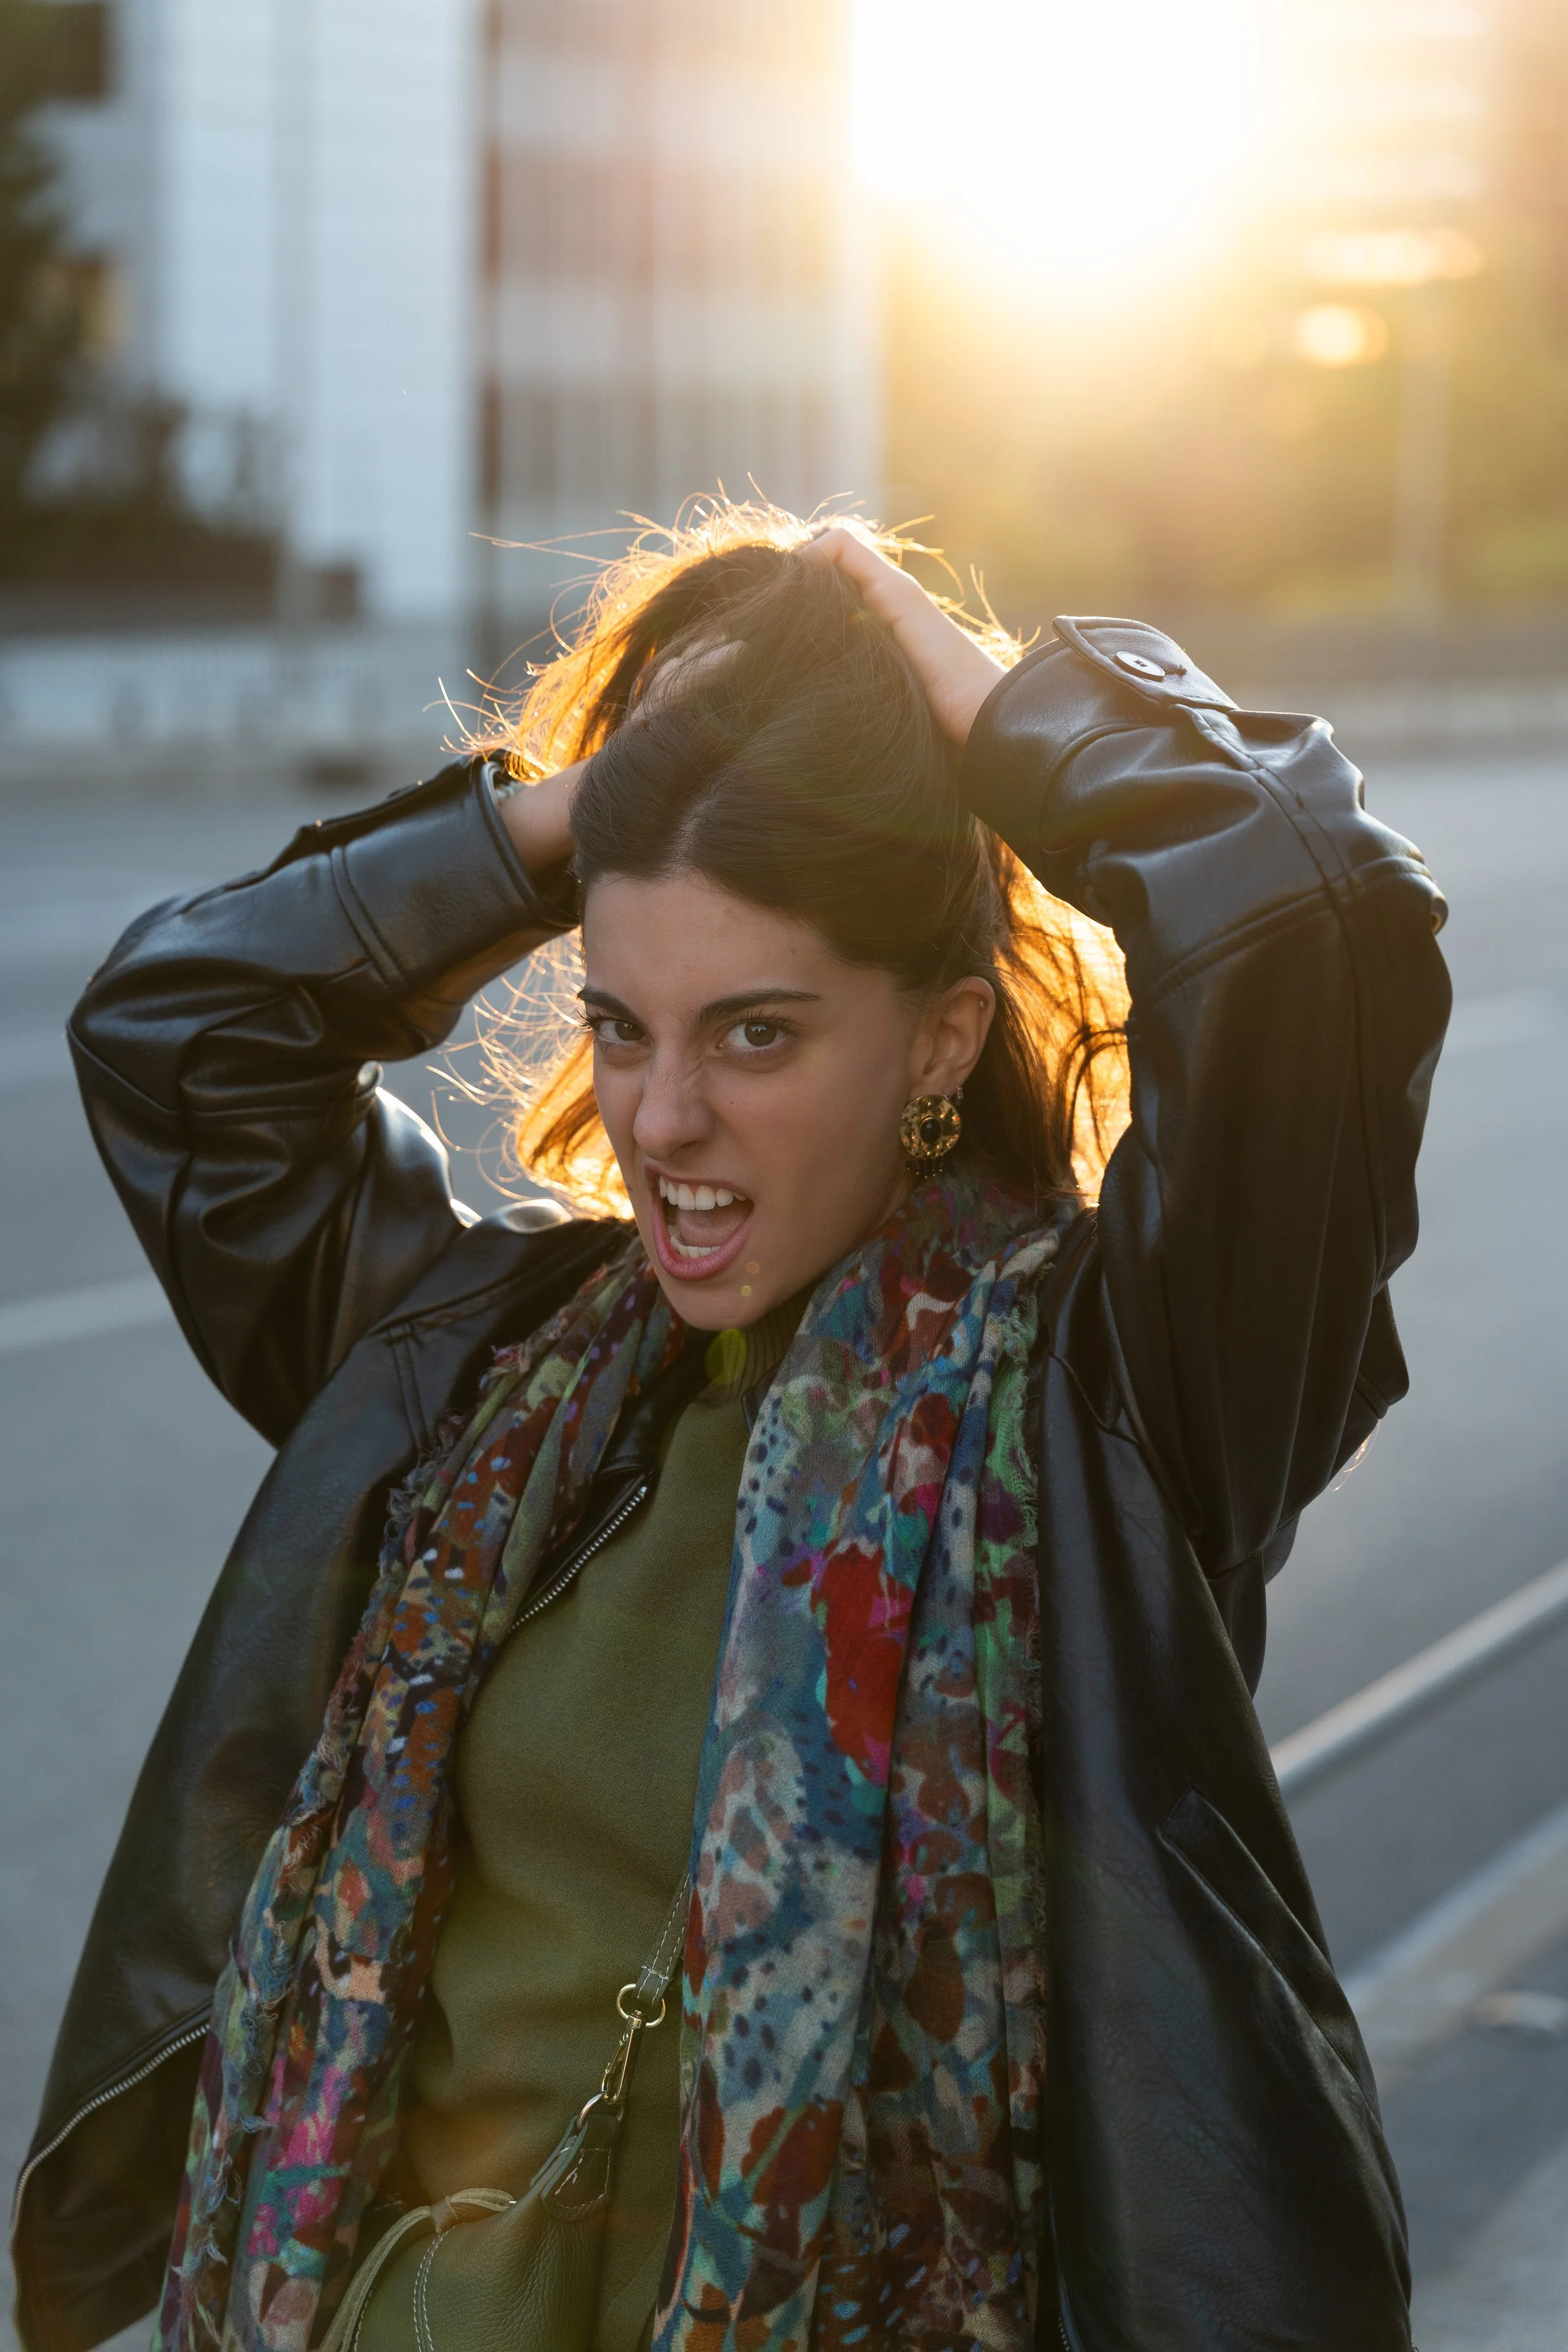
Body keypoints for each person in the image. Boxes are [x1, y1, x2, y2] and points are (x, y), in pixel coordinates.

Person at [13, 509, 1449, 2352]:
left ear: (937, 1040)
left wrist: (1007, 709)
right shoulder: (478, 1369)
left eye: (755, 1035)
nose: (659, 1119)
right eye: (620, 1025)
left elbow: (1306, 927)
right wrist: (591, 810)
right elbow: (180, 1033)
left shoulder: (1107, 1410)